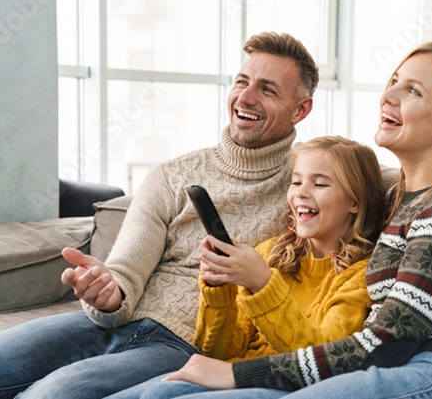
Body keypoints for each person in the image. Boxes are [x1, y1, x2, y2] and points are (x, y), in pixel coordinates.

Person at [152, 41, 432, 399]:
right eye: (393, 81)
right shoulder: (400, 199)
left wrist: (240, 373)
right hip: (393, 364)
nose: (388, 95)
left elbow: (390, 342)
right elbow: (353, 184)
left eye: (412, 90)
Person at [0, 31, 323, 399]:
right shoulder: (172, 175)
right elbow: (124, 272)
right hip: (115, 322)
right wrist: (108, 292)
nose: (245, 98)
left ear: (301, 109)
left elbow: (361, 183)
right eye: (241, 81)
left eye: (267, 89)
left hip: (186, 346)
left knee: (52, 395)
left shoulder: (309, 187)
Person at [106, 135, 386, 398]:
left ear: (354, 202)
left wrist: (263, 285)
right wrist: (218, 290)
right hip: (229, 373)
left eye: (320, 184)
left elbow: (322, 362)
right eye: (296, 182)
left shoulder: (360, 276)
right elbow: (217, 351)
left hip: (282, 386)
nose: (301, 193)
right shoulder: (272, 253)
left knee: (160, 394)